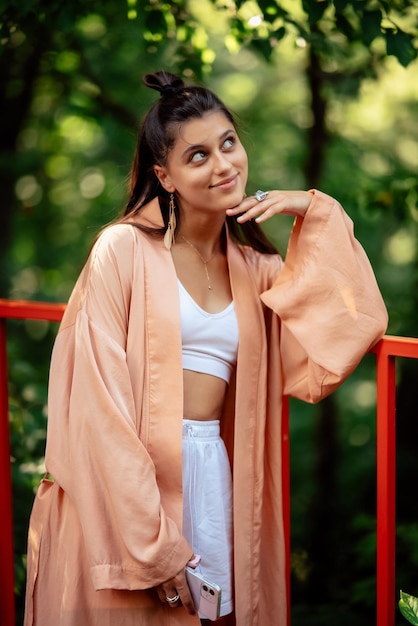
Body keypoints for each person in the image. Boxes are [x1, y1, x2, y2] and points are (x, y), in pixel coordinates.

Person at [24, 70, 388, 626]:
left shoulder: (258, 271)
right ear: (163, 176)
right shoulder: (122, 250)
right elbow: (99, 410)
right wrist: (152, 540)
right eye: (197, 156)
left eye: (228, 143)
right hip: (129, 488)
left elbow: (351, 326)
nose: (222, 165)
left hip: (211, 478)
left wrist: (314, 211)